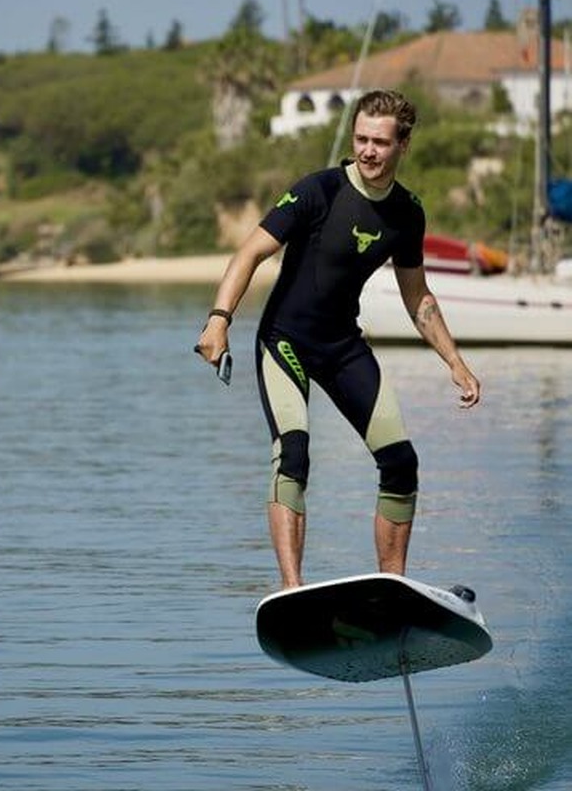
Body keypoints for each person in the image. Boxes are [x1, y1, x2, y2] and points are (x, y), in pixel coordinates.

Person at [196, 88, 480, 589]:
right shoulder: (318, 191)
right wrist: (219, 319)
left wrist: (454, 362)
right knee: (295, 453)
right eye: (361, 139)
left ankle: (394, 589)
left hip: (342, 345)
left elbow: (418, 297)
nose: (369, 150)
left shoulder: (406, 213)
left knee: (400, 462)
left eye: (381, 142)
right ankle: (292, 590)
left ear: (402, 146)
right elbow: (248, 254)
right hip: (284, 341)